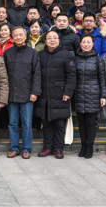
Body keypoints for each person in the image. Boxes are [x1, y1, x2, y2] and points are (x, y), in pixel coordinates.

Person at [35, 30, 76, 159]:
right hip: (44, 94)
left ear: (59, 40)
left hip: (60, 94)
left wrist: (68, 91)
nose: (52, 40)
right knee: (46, 123)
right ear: (45, 41)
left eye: (55, 38)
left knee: (59, 124)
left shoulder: (66, 54)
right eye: (49, 38)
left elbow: (72, 75)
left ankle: (58, 148)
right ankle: (47, 147)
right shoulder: (40, 55)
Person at [4, 27, 41, 159]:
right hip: (12, 94)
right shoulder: (8, 53)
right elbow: (4, 75)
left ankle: (26, 149)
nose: (18, 37)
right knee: (13, 123)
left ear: (25, 37)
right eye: (16, 35)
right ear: (12, 37)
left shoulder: (32, 53)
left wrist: (35, 92)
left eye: (21, 35)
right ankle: (14, 148)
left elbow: (37, 74)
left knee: (26, 123)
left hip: (27, 94)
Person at [74, 34, 106, 159]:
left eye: (88, 42)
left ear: (93, 44)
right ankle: (83, 146)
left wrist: (103, 96)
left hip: (93, 94)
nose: (86, 44)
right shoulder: (75, 58)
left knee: (91, 123)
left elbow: (102, 79)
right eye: (84, 42)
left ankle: (90, 147)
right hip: (79, 94)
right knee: (81, 123)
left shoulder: (98, 60)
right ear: (80, 43)